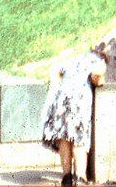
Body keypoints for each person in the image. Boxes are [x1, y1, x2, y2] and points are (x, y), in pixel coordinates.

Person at [42, 43, 108, 186]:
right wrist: (101, 79)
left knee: (64, 139)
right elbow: (97, 78)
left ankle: (67, 176)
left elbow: (55, 72)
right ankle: (80, 176)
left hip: (61, 99)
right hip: (79, 101)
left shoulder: (72, 56)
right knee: (79, 139)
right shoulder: (97, 61)